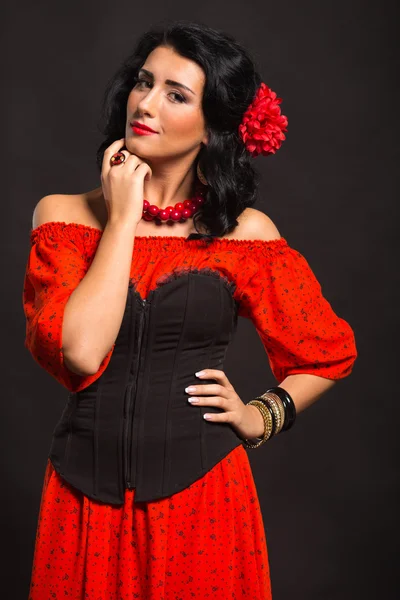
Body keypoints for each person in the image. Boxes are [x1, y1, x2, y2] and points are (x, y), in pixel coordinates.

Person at [22, 20, 357, 600]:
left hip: (202, 505)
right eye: (143, 82)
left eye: (176, 94)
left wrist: (261, 416)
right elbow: (78, 352)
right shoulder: (65, 218)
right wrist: (124, 218)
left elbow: (326, 351)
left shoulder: (246, 237)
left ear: (212, 128)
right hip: (82, 505)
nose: (145, 103)